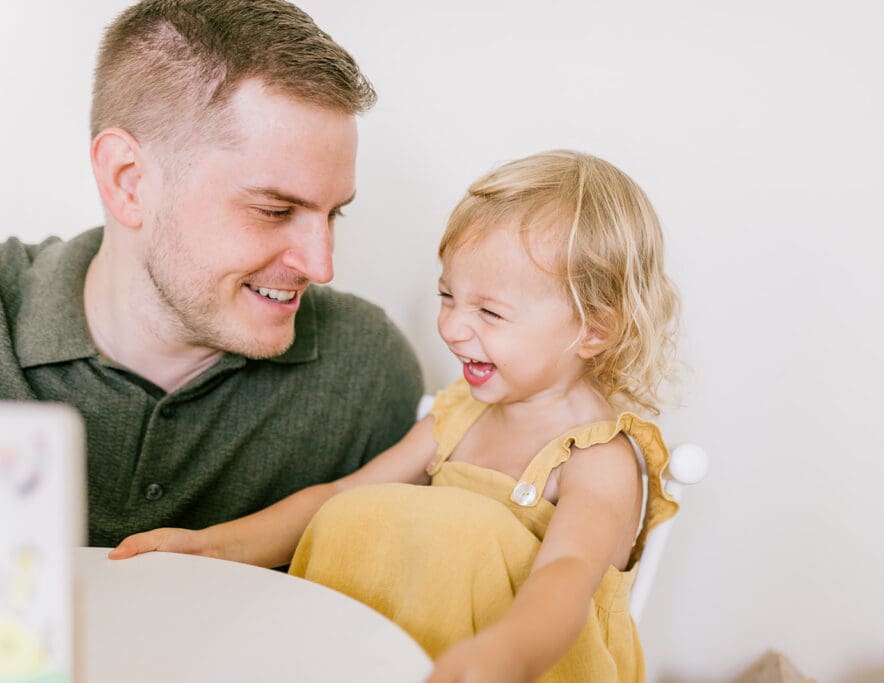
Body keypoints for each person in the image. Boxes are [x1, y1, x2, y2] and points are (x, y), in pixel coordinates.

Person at [112, 150, 681, 682]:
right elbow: (333, 499)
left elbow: (567, 575)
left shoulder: (599, 458)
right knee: (360, 510)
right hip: (410, 657)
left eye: (489, 311)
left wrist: (505, 652)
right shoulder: (460, 415)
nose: (454, 328)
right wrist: (209, 547)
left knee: (463, 529)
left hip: (525, 666)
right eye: (447, 296)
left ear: (594, 329)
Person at [0, 0, 423, 548]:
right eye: (274, 210)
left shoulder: (367, 371)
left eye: (333, 213)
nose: (321, 266)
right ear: (129, 181)